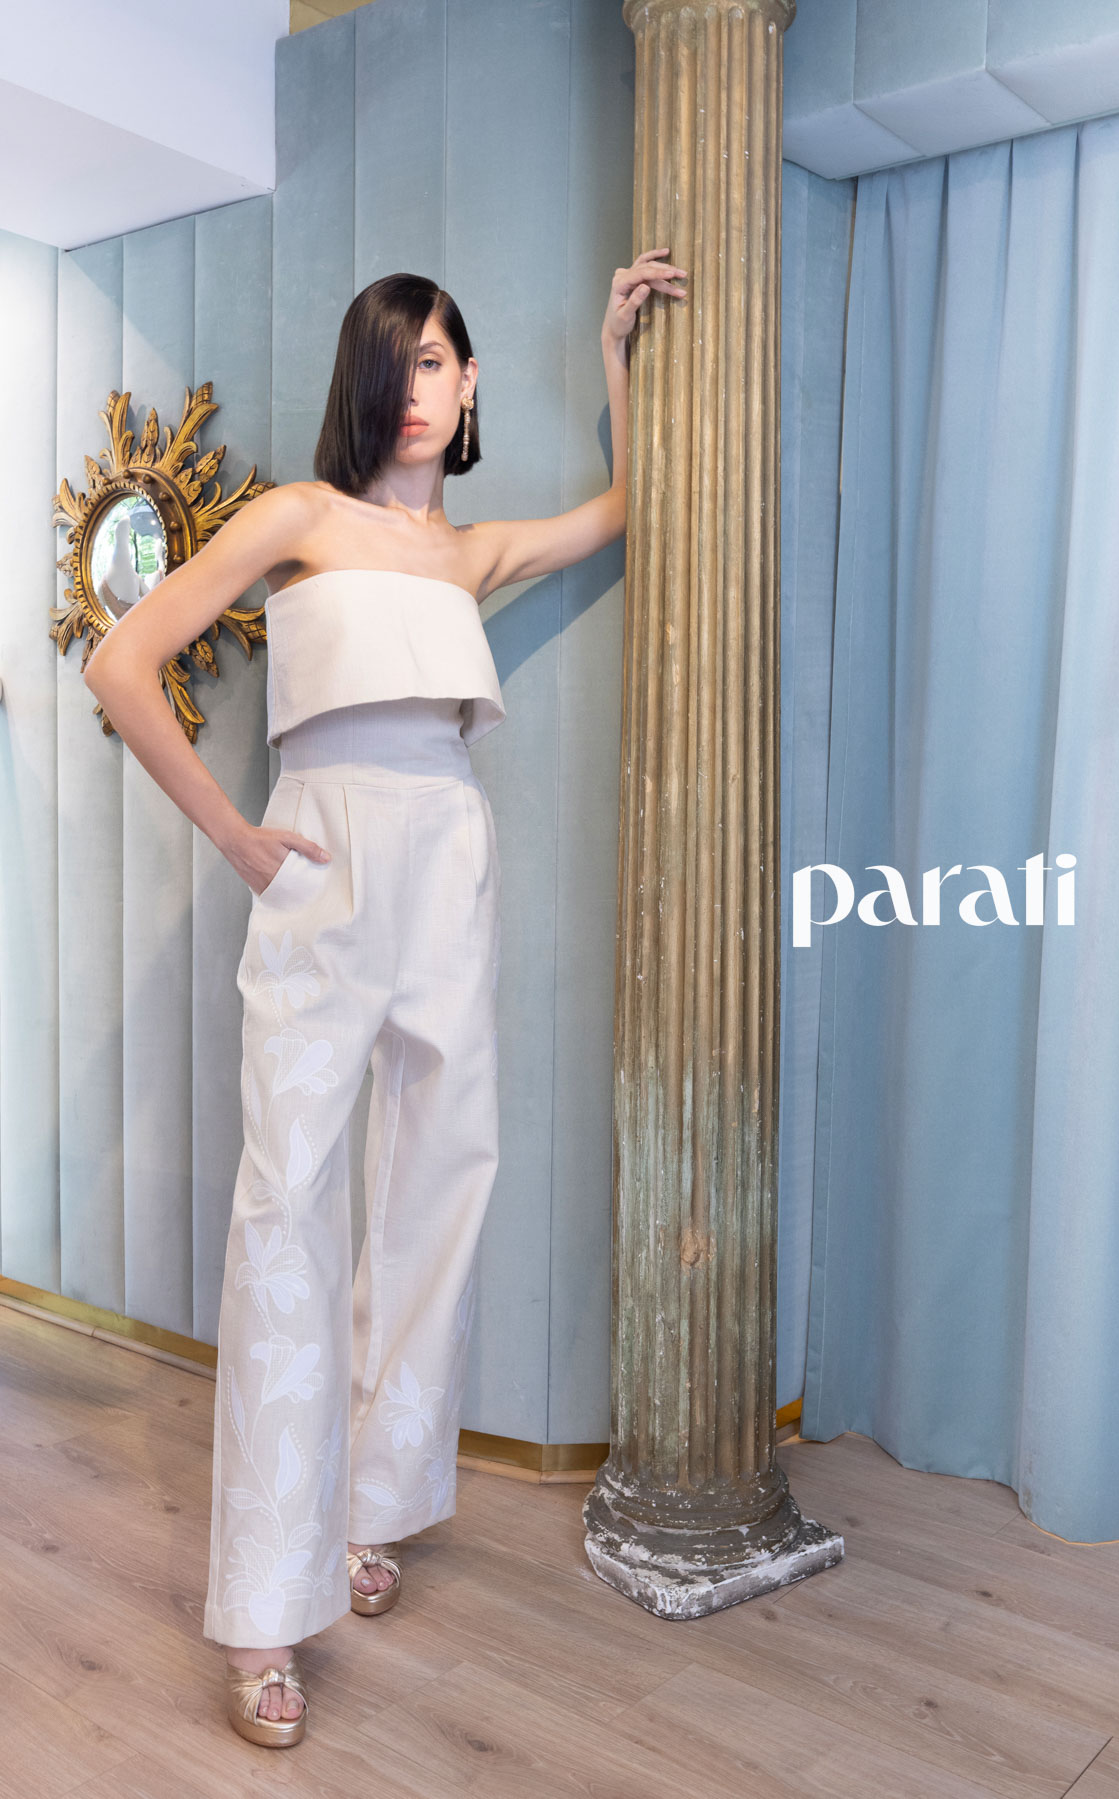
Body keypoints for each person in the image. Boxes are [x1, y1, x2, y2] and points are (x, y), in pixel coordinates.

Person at [83, 247, 688, 1747]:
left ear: (469, 382)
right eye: (393, 360)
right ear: (365, 381)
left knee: (441, 1178)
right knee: (289, 1206)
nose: (414, 387)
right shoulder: (298, 519)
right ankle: (262, 1611)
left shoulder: (473, 553)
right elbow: (122, 662)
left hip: (450, 854)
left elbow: (629, 508)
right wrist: (236, 838)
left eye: (436, 360)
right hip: (323, 851)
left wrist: (614, 352)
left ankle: (368, 1505)